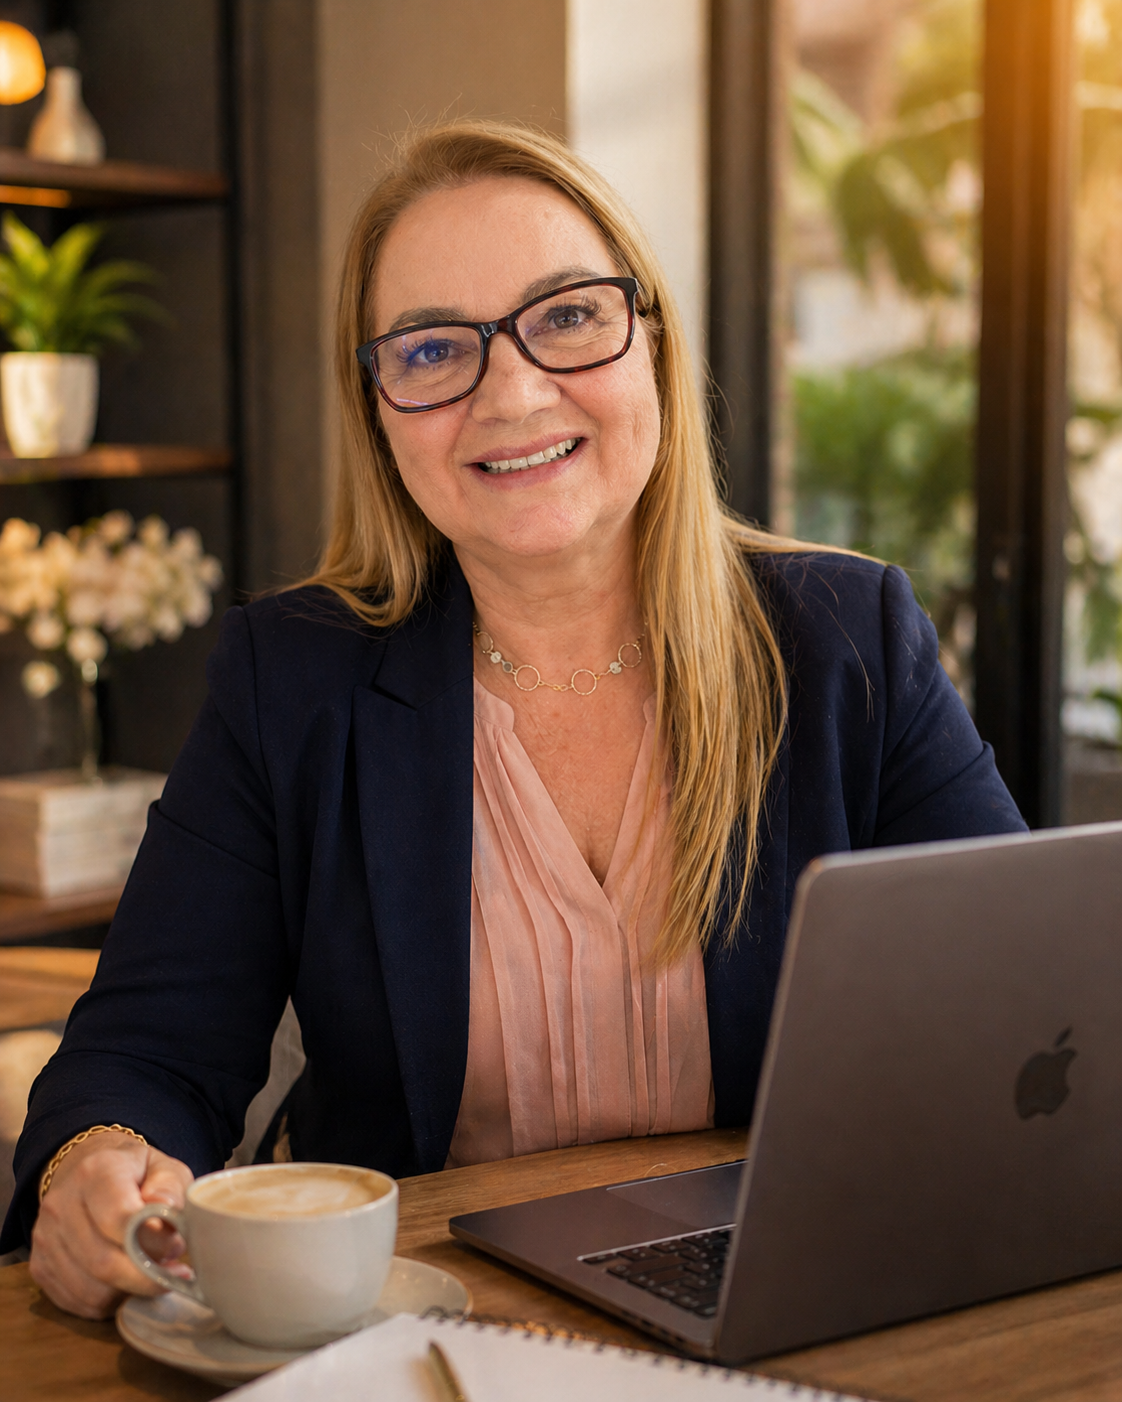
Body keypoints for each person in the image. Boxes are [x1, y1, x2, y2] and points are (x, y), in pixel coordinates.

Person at [1, 121, 1024, 1318]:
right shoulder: (293, 679)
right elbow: (149, 1049)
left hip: (787, 1301)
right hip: (413, 1326)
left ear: (652, 337)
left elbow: (1021, 1016)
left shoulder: (849, 639)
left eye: (570, 315)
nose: (515, 390)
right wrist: (93, 1165)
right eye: (434, 349)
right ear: (380, 407)